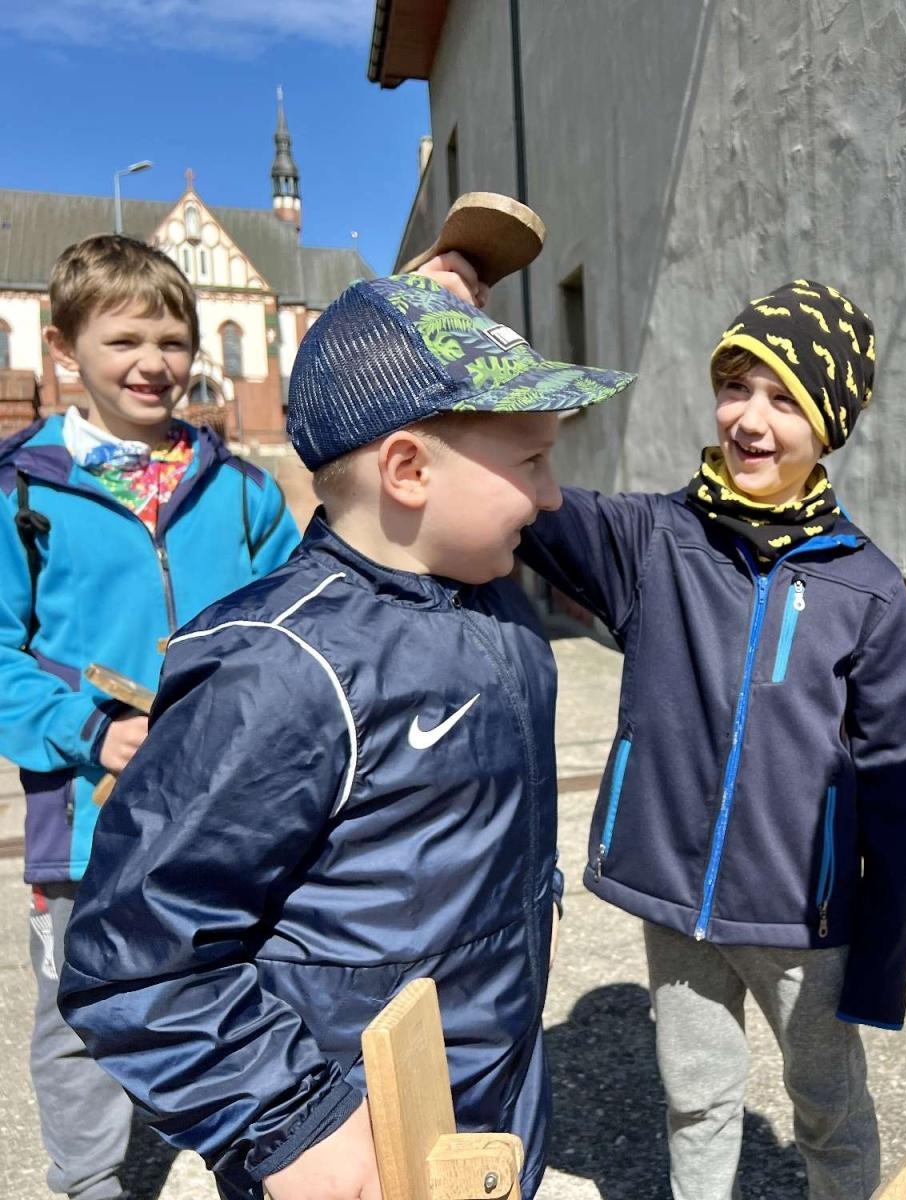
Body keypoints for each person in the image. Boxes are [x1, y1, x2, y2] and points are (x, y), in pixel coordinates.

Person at [56, 271, 635, 1199]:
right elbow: (134, 958)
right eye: (531, 462)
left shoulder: (494, 607)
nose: (555, 497)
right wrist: (288, 1125)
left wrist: (538, 906)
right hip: (355, 1142)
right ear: (408, 471)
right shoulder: (282, 670)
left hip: (489, 1112)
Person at [513, 276, 906, 1199]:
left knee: (828, 1105)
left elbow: (902, 790)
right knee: (695, 1101)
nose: (751, 418)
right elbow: (526, 499)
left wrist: (878, 965)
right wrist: (458, 338)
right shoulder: (655, 539)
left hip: (801, 919)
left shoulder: (868, 589)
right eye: (737, 386)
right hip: (675, 902)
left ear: (830, 422)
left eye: (785, 398)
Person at [0, 233, 298, 1200]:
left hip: (230, 811)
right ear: (62, 351)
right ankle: (90, 1183)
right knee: (83, 1014)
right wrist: (87, 732)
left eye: (172, 340)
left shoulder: (245, 489)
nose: (152, 363)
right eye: (124, 339)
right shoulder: (22, 495)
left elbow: (292, 628)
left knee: (239, 990)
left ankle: (255, 1160)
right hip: (88, 819)